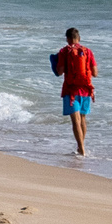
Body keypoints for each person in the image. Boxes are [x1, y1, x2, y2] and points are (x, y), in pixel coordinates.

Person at [49, 27, 96, 157]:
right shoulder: (88, 52)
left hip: (71, 91)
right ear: (79, 38)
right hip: (86, 90)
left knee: (75, 121)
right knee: (82, 120)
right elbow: (95, 73)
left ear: (67, 39)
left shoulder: (64, 51)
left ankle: (81, 149)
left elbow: (60, 72)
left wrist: (53, 62)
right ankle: (81, 147)